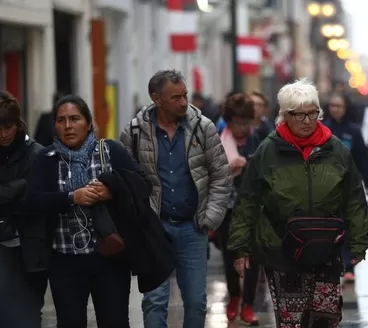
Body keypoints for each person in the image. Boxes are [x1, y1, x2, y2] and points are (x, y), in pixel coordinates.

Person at [227, 78, 368, 328]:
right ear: (285, 116)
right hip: (281, 250)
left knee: (325, 320)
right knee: (292, 322)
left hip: (327, 248)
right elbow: (248, 200)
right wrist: (240, 247)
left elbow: (354, 198)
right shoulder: (267, 151)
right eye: (299, 115)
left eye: (312, 114)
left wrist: (358, 243)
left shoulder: (336, 149)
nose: (307, 121)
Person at [119, 69, 231, 328]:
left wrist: (210, 217)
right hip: (153, 229)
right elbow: (123, 182)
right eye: (175, 97)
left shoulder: (203, 128)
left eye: (185, 95)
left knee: (196, 301)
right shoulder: (134, 132)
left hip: (192, 227)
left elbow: (221, 176)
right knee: (154, 301)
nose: (183, 102)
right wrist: (138, 221)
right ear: (157, 99)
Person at [26, 95, 147, 327]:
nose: (68, 126)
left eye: (75, 118)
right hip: (64, 260)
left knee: (115, 321)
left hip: (109, 257)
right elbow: (32, 201)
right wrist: (72, 197)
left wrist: (112, 191)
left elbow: (142, 185)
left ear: (89, 123)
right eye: (61, 120)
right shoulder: (46, 159)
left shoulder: (110, 150)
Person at [0, 91, 47, 328]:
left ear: (16, 124)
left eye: (7, 127)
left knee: (28, 315)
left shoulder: (35, 153)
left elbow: (35, 199)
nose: (3, 134)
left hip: (29, 250)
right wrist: (19, 186)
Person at [215, 93, 262, 324]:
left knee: (253, 258)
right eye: (237, 122)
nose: (242, 128)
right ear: (229, 121)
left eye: (246, 122)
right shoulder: (218, 140)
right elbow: (208, 173)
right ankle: (234, 296)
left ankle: (249, 305)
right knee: (230, 256)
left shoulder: (259, 139)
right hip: (227, 208)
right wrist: (228, 168)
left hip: (254, 209)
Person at [323, 93, 368, 283]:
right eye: (333, 105)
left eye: (339, 106)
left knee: (349, 223)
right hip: (326, 185)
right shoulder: (322, 128)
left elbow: (362, 158)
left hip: (348, 184)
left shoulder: (353, 131)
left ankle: (349, 265)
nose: (336, 109)